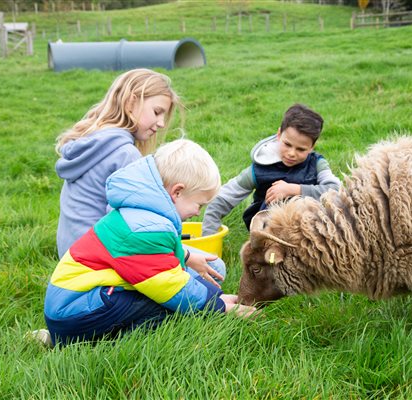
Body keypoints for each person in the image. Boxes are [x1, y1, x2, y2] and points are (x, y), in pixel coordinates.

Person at [44, 139, 257, 347]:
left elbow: (156, 258)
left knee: (171, 296)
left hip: (79, 304)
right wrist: (217, 306)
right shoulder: (146, 226)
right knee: (164, 303)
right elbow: (170, 285)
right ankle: (83, 343)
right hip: (77, 311)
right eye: (198, 204)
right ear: (177, 192)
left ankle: (71, 339)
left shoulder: (143, 213)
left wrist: (195, 267)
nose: (197, 213)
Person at [54, 68, 224, 287]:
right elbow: (130, 233)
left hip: (71, 256)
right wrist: (187, 257)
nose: (162, 123)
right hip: (98, 263)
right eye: (157, 111)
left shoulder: (95, 141)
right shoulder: (124, 153)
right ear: (131, 102)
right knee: (215, 267)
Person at [202, 103, 341, 235]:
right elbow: (223, 199)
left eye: (301, 149)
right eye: (287, 144)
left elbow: (336, 191)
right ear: (279, 134)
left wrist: (294, 189)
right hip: (267, 230)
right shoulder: (260, 168)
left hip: (309, 229)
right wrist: (208, 237)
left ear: (312, 146)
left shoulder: (317, 164)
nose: (292, 153)